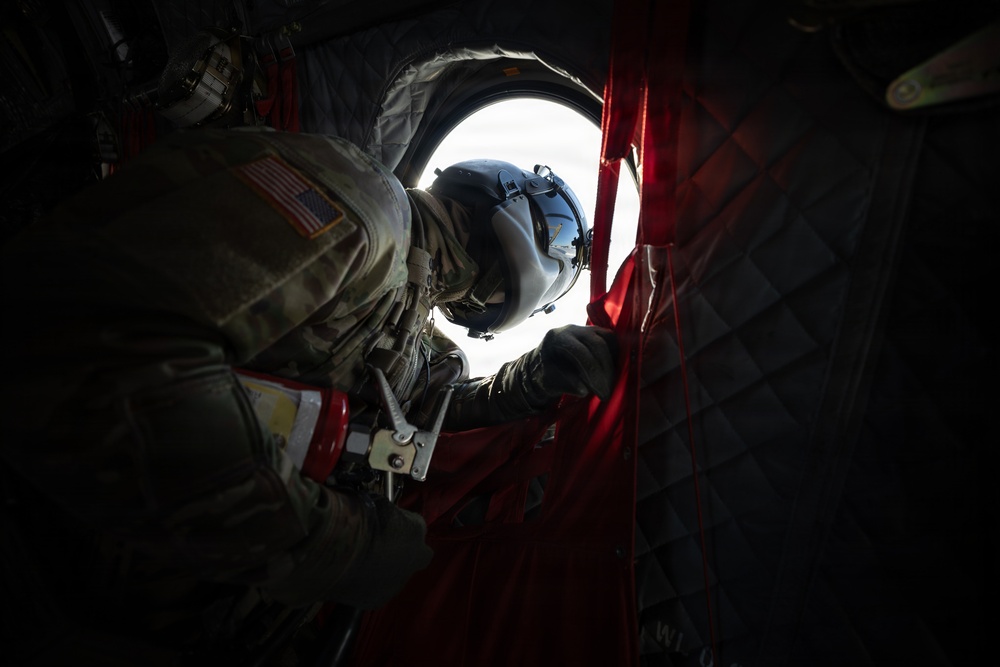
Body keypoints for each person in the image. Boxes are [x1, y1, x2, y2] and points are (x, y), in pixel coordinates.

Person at [0, 127, 616, 662]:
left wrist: (533, 380)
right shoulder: (368, 206)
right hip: (43, 574)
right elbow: (88, 348)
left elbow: (433, 403)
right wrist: (334, 546)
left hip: (128, 610)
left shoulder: (407, 311)